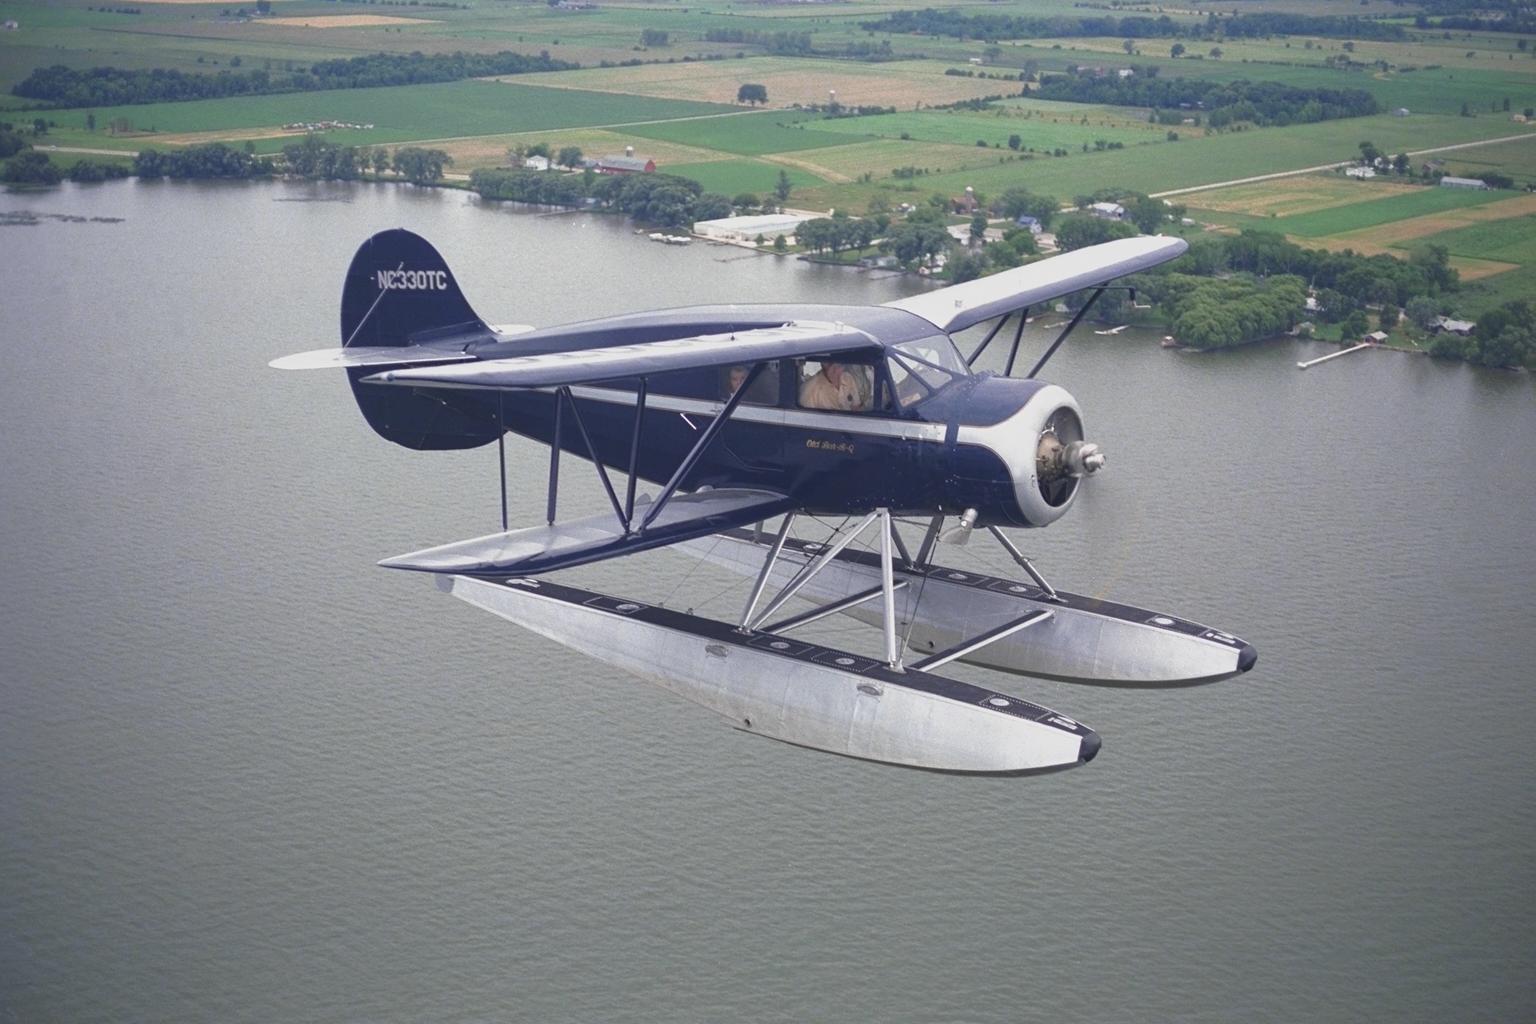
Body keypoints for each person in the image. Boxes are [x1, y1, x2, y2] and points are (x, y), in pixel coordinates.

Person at [799, 361, 869, 412]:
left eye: (839, 365)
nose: (835, 368)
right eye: (829, 363)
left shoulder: (848, 378)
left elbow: (856, 408)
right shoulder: (809, 390)